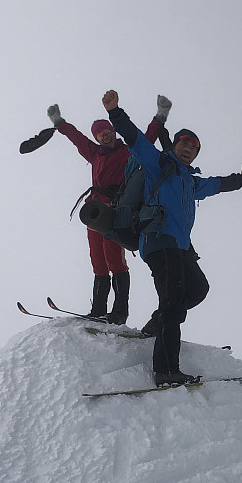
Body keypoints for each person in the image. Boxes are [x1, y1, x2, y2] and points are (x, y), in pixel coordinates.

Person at [101, 89, 242, 386]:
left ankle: (157, 321)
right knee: (173, 302)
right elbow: (134, 138)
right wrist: (115, 112)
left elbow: (218, 184)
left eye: (194, 146)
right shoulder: (158, 163)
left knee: (198, 289)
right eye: (184, 142)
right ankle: (165, 370)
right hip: (158, 239)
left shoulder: (190, 181)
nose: (189, 148)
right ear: (175, 145)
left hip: (181, 246)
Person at [45, 95, 172, 323]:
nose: (104, 136)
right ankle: (98, 311)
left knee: (114, 259)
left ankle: (119, 313)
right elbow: (77, 138)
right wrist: (59, 122)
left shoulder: (128, 151)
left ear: (114, 131)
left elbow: (147, 139)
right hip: (94, 213)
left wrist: (160, 116)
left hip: (116, 212)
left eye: (107, 131)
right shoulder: (94, 154)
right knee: (97, 260)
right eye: (99, 134)